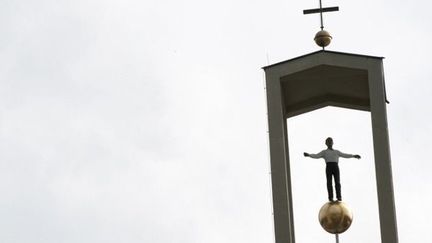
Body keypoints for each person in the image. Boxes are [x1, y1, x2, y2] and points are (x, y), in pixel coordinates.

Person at [304, 137, 360, 202]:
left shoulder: (336, 152)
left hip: (335, 166)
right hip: (329, 166)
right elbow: (316, 155)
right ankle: (330, 197)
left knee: (337, 182)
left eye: (331, 141)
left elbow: (345, 155)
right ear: (326, 143)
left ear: (333, 143)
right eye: (328, 141)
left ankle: (339, 197)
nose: (330, 143)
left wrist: (353, 156)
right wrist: (309, 155)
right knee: (329, 182)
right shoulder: (324, 152)